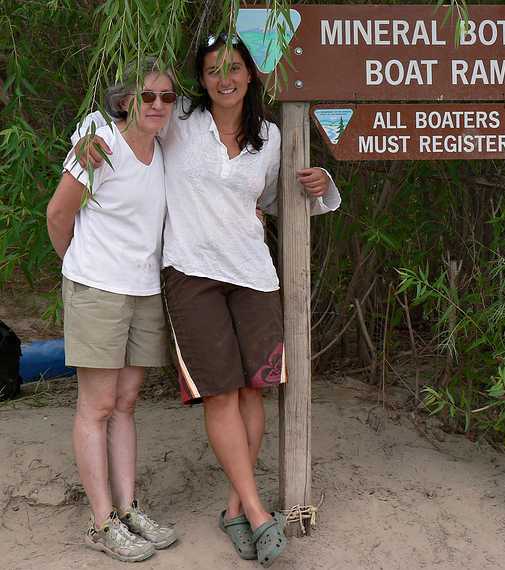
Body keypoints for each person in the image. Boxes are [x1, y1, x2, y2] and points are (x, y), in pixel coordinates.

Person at [75, 35, 341, 567]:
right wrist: (88, 136)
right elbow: (128, 116)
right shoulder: (181, 120)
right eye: (215, 69)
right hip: (190, 274)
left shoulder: (270, 136)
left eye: (236, 67)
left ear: (251, 74)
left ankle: (234, 507)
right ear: (202, 78)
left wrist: (320, 182)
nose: (226, 78)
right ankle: (261, 514)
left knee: (254, 392)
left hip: (253, 274)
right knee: (220, 393)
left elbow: (271, 198)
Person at [47, 59, 178, 563]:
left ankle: (128, 508)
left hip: (142, 289)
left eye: (167, 97)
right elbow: (58, 213)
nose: (159, 106)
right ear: (127, 101)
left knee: (125, 402)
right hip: (98, 287)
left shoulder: (163, 149)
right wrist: (79, 267)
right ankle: (101, 522)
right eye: (148, 97)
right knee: (96, 405)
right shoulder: (98, 140)